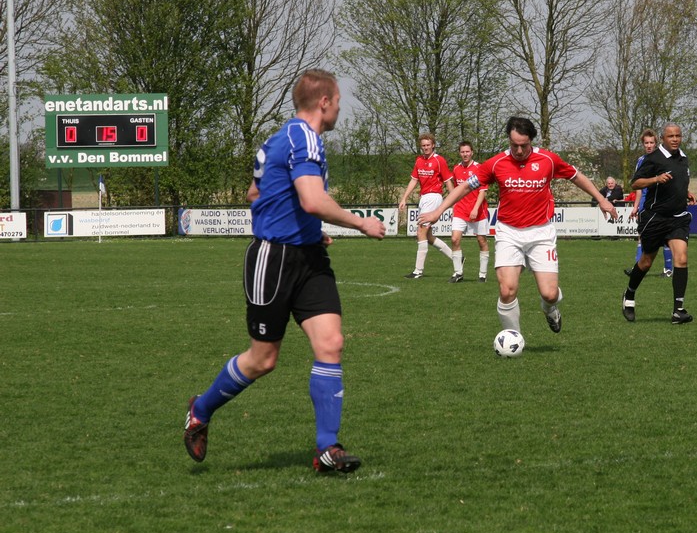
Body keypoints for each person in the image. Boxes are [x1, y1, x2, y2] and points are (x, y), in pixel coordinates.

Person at [183, 69, 386, 474]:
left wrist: (307, 230)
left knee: (331, 343)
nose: (340, 108)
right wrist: (361, 222)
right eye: (338, 101)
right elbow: (311, 200)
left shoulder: (281, 138)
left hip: (310, 258)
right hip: (273, 260)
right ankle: (200, 410)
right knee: (263, 360)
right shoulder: (303, 138)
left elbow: (256, 192)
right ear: (324, 102)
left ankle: (327, 449)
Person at [419, 116, 617, 336]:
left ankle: (550, 308)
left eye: (524, 145)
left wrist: (601, 199)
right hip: (508, 232)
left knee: (550, 294)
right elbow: (465, 186)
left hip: (541, 232)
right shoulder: (496, 163)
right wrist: (438, 211)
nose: (520, 150)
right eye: (515, 145)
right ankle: (514, 339)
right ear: (509, 140)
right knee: (507, 290)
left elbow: (576, 176)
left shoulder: (548, 160)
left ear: (531, 140)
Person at [621, 123, 696, 324]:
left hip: (678, 218)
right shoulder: (653, 158)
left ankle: (678, 311)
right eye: (671, 136)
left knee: (681, 258)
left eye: (678, 135)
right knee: (646, 261)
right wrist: (656, 179)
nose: (675, 139)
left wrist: (685, 193)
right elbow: (635, 183)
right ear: (663, 138)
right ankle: (629, 294)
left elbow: (678, 180)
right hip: (655, 218)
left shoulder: (683, 158)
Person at [398, 133, 455, 278]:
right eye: (423, 145)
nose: (426, 147)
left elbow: (448, 181)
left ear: (433, 145)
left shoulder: (439, 160)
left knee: (420, 232)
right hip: (424, 198)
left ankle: (418, 271)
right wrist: (404, 198)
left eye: (428, 145)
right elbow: (413, 180)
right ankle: (456, 258)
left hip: (433, 197)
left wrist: (454, 201)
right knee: (428, 236)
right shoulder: (419, 161)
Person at [624, 129, 673, 278]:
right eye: (646, 143)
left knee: (665, 236)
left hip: (660, 202)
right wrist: (636, 206)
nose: (649, 145)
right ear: (643, 144)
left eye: (651, 142)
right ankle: (637, 269)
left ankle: (668, 269)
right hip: (645, 203)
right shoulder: (641, 161)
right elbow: (638, 186)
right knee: (642, 235)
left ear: (656, 143)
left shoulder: (662, 158)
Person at [449, 140, 491, 283]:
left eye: (467, 151)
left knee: (481, 241)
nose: (465, 154)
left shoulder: (480, 168)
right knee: (454, 239)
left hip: (477, 211)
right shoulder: (456, 169)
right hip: (460, 210)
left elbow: (483, 191)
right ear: (459, 153)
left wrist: (475, 208)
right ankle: (458, 273)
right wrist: (454, 205)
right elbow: (457, 190)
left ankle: (482, 274)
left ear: (472, 152)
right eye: (462, 152)